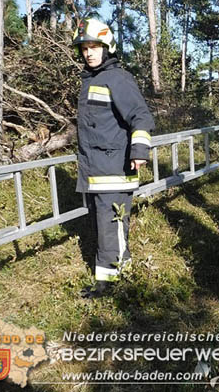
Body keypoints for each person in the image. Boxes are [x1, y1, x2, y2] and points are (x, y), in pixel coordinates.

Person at [72, 18, 155, 298]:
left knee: (111, 226)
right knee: (105, 227)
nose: (89, 53)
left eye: (95, 47)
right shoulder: (92, 80)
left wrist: (139, 151)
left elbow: (141, 116)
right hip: (96, 169)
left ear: (108, 48)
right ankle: (118, 274)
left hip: (114, 169)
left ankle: (108, 285)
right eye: (84, 48)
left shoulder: (117, 78)